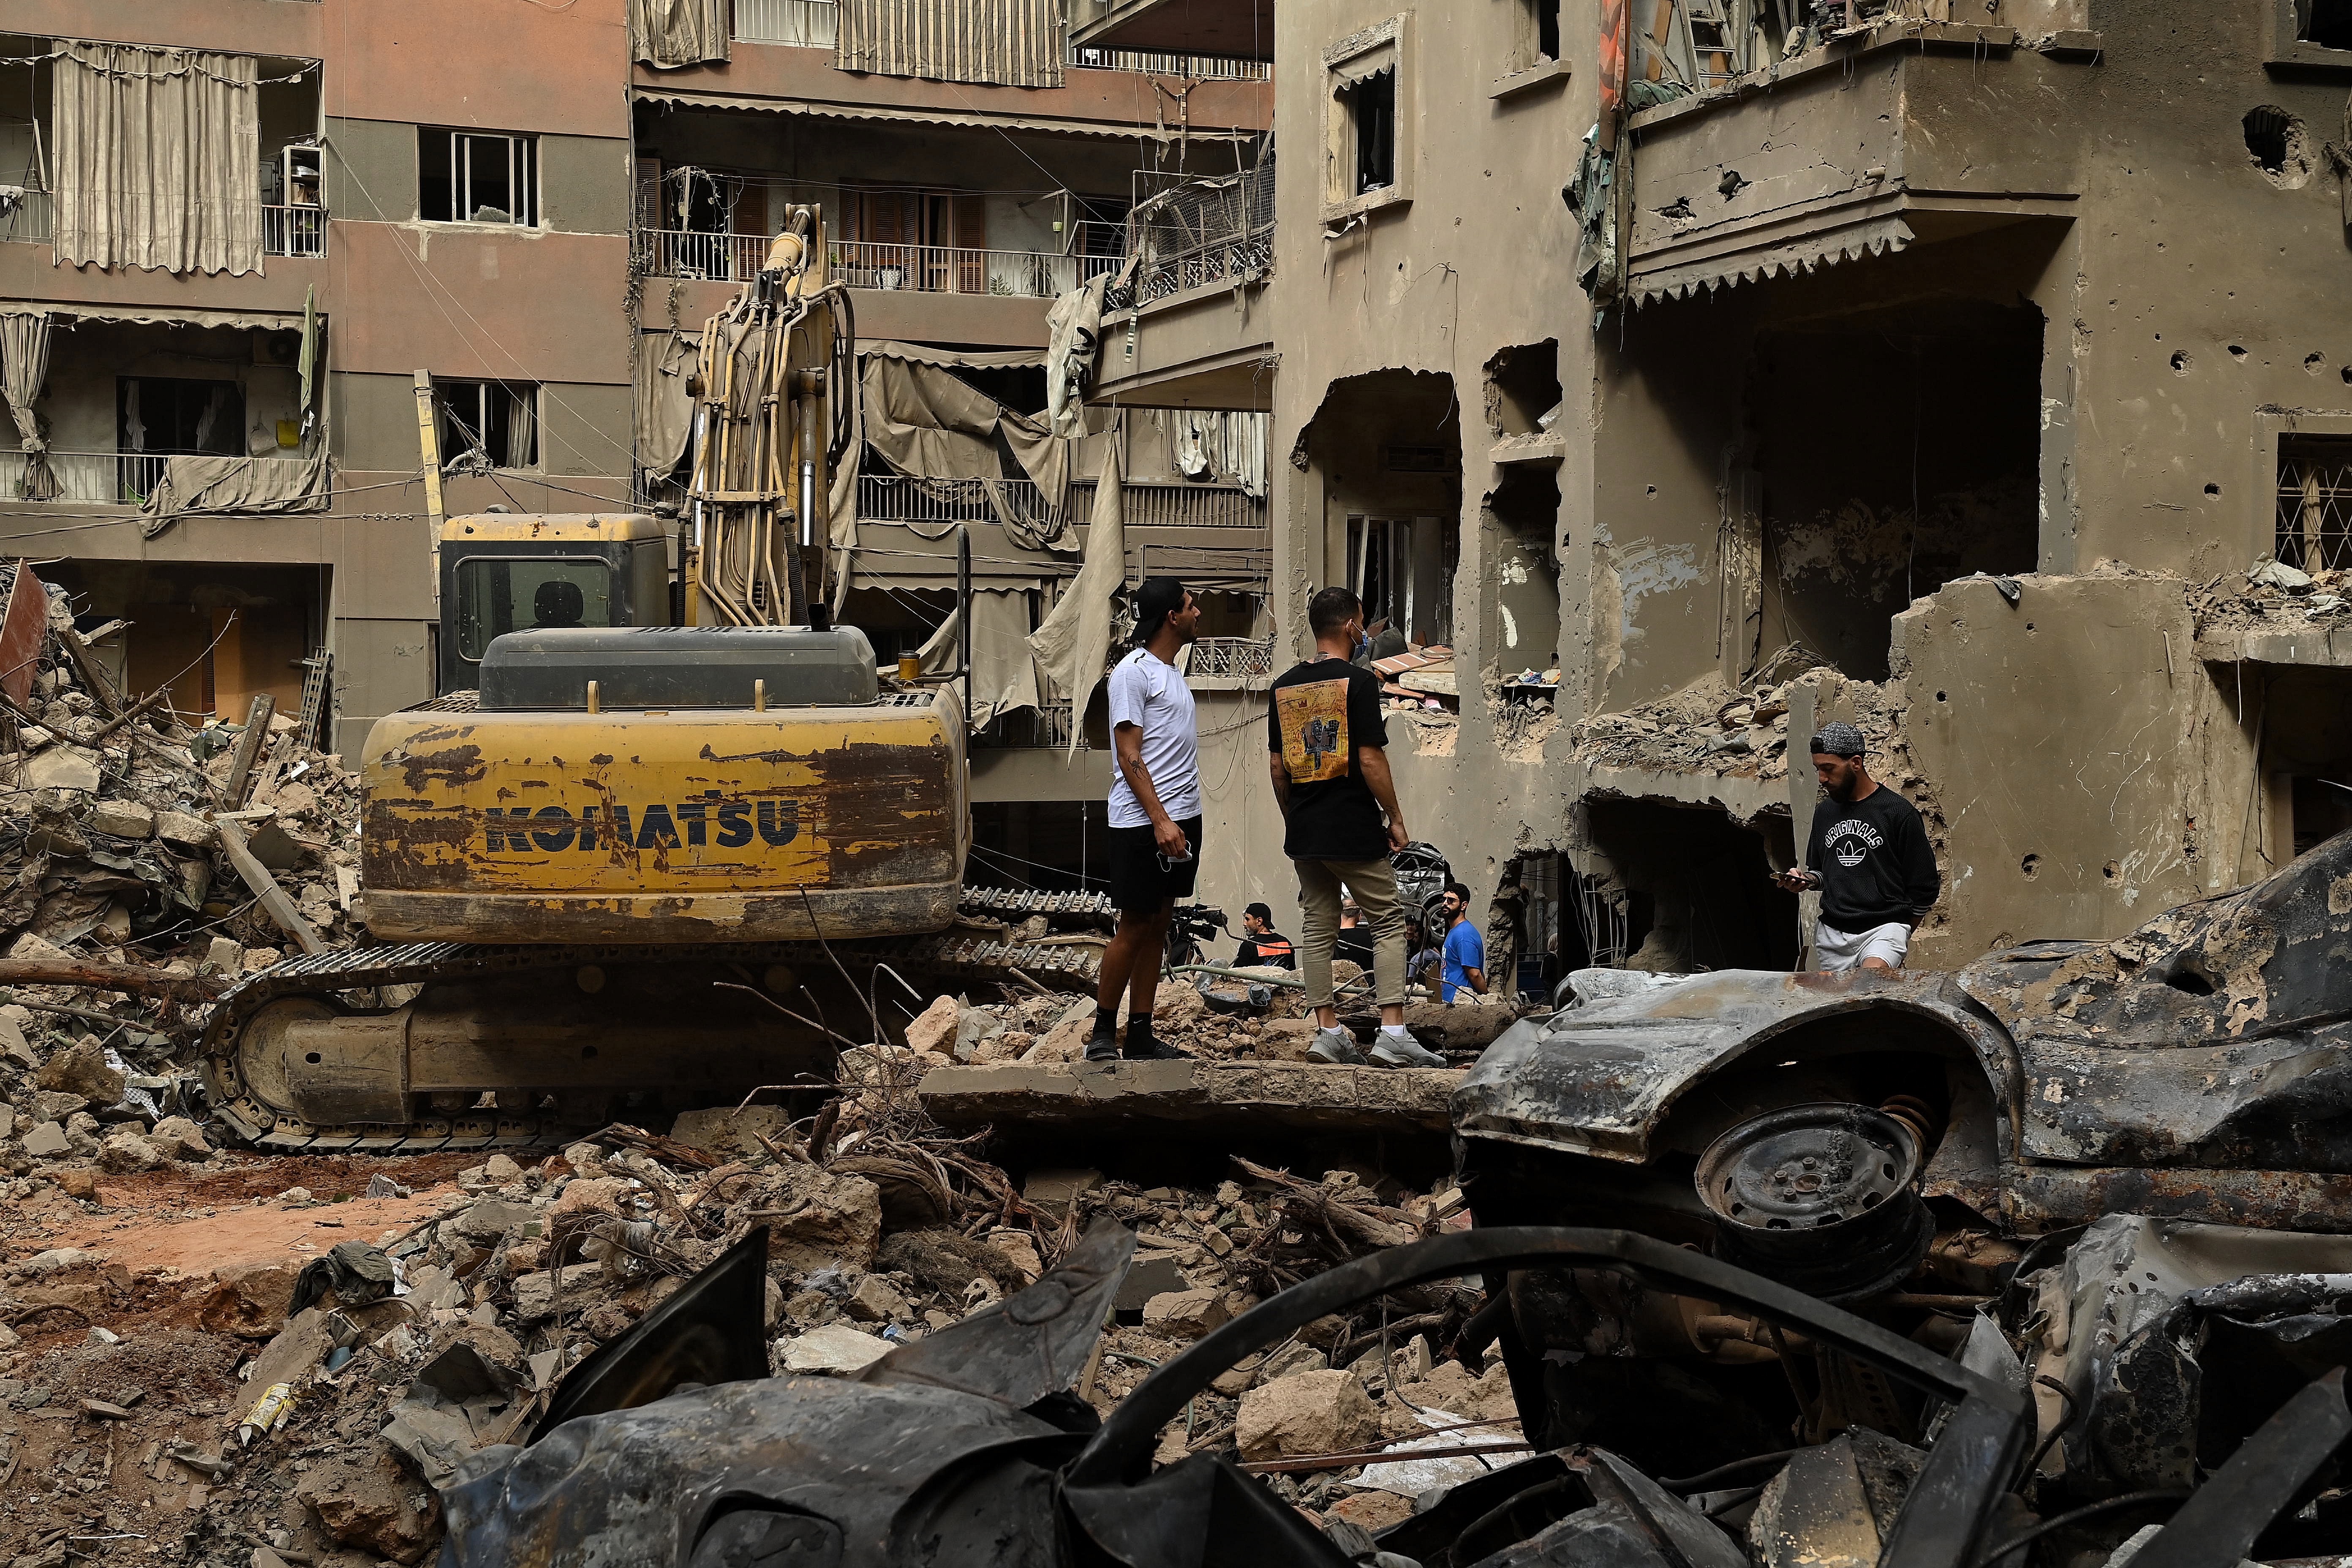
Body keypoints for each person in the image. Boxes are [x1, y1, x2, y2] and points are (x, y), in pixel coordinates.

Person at [1268, 586, 1445, 1068]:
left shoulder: (1283, 687)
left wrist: (1297, 818)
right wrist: (1397, 820)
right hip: (1351, 825)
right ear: (1350, 626)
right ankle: (1392, 1033)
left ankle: (1327, 1032)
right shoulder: (1359, 684)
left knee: (1317, 924)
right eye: (1362, 623)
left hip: (1305, 831)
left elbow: (1278, 768)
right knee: (1388, 919)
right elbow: (1369, 758)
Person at [1089, 577, 1204, 1062]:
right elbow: (1128, 752)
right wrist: (1160, 820)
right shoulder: (1133, 673)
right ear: (1170, 618)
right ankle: (1101, 1033)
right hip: (1144, 823)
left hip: (1181, 817)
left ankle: (1140, 1032)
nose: (1198, 610)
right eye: (1190, 605)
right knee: (1134, 924)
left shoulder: (1171, 672)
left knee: (1159, 924)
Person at [1772, 721, 1941, 972]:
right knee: (1842, 1010)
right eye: (1817, 769)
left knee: (1868, 990)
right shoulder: (1825, 812)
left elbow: (1925, 888)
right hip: (1832, 936)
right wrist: (1805, 880)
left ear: (1856, 763)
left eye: (1829, 769)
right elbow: (1823, 873)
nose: (1822, 779)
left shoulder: (1898, 813)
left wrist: (1900, 931)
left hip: (1882, 930)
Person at [1438, 882, 1489, 1003]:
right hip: (1450, 1002)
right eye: (1444, 899)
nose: (1445, 903)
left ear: (1463, 906)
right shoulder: (1455, 931)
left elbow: (1475, 974)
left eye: (1451, 901)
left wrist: (1487, 998)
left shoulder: (1463, 934)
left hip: (1461, 1003)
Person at [1233, 903, 1296, 969]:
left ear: (1259, 921)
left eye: (1247, 919)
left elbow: (1236, 976)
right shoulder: (1286, 943)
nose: (1244, 924)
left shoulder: (1248, 946)